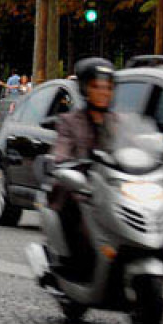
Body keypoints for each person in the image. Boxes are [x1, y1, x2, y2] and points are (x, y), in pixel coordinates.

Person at [50, 57, 118, 275]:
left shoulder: (118, 122)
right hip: (82, 193)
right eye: (97, 86)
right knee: (80, 219)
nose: (103, 92)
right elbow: (61, 149)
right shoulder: (70, 121)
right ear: (85, 89)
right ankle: (75, 267)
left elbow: (134, 147)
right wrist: (63, 161)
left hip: (113, 190)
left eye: (108, 87)